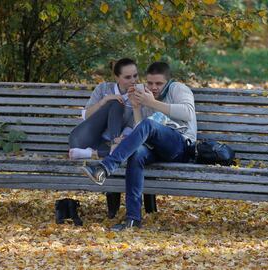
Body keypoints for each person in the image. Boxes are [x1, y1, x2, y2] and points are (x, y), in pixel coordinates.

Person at [81, 62, 197, 231]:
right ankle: (133, 219)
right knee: (137, 154)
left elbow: (188, 112)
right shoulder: (147, 96)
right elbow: (141, 130)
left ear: (168, 81)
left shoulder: (178, 89)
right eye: (150, 83)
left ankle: (105, 167)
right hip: (156, 149)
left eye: (159, 83)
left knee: (149, 125)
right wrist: (137, 107)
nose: (154, 87)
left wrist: (151, 103)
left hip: (181, 146)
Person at [68, 58, 137, 159]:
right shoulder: (103, 88)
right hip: (82, 139)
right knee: (116, 102)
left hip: (104, 145)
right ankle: (114, 146)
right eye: (127, 77)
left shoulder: (139, 96)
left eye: (135, 76)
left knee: (132, 150)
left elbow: (131, 125)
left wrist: (123, 138)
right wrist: (104, 101)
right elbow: (86, 116)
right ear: (117, 78)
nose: (133, 80)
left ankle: (91, 153)